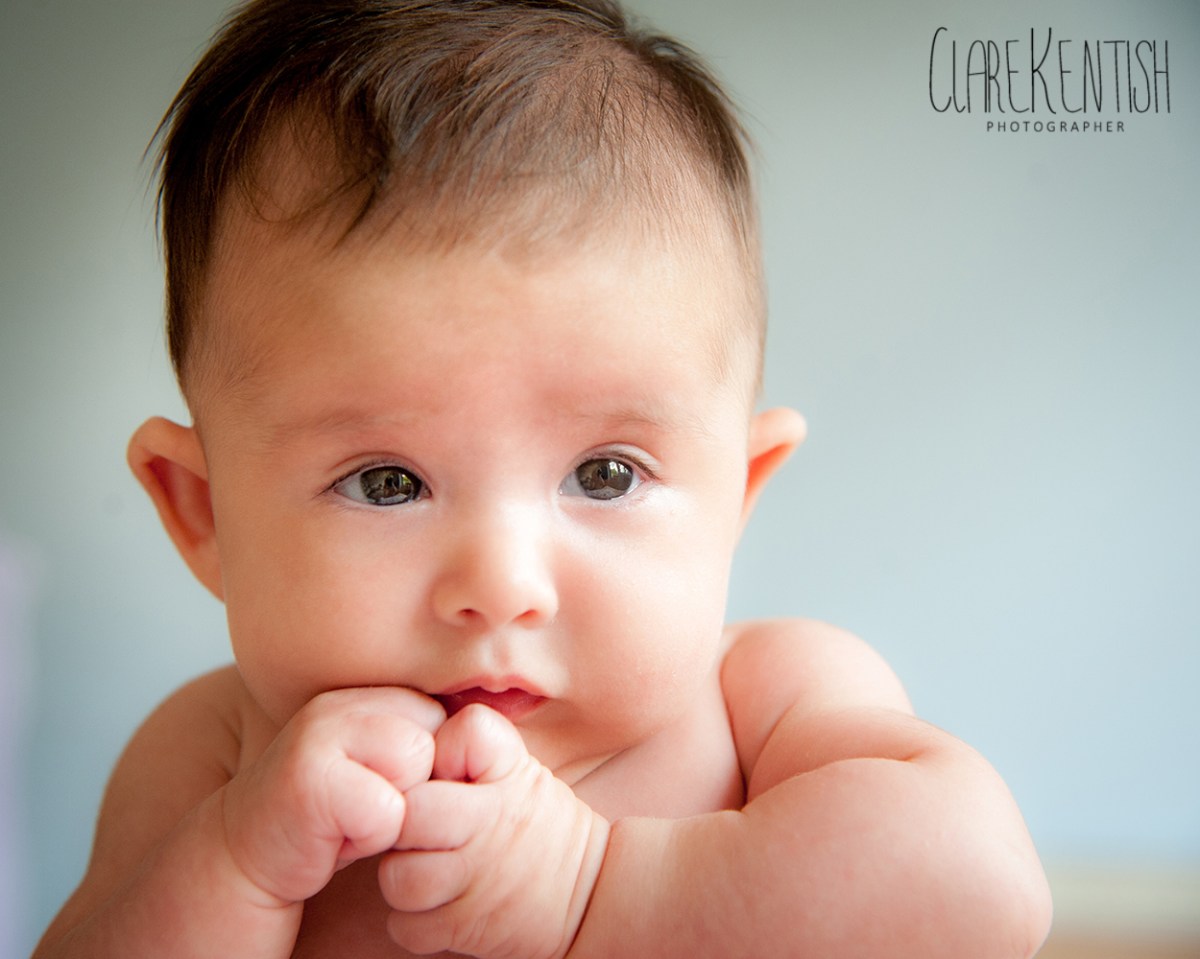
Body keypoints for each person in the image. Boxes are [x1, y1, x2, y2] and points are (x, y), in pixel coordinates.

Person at [34, 1, 1052, 956]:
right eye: (388, 482)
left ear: (737, 494)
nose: (503, 583)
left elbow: (983, 889)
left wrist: (597, 886)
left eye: (605, 473)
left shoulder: (766, 700)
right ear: (204, 510)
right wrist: (239, 862)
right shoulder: (214, 757)